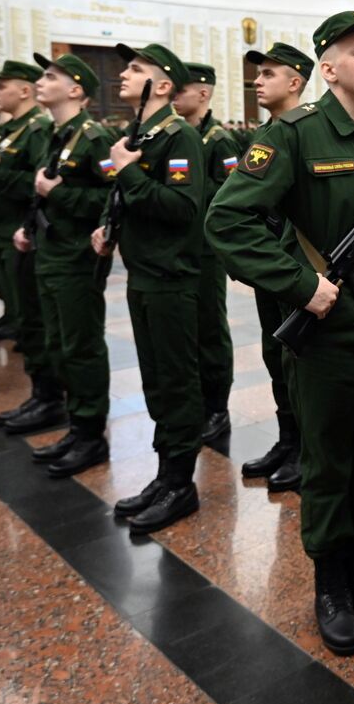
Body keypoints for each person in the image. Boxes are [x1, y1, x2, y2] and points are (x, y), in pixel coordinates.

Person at [206, 12, 354, 657]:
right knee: (328, 464)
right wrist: (300, 284)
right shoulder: (294, 135)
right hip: (326, 334)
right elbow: (228, 220)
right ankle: (329, 583)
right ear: (328, 70)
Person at [92, 43, 206, 535]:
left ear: (162, 86)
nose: (123, 76)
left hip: (171, 279)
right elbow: (125, 196)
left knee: (176, 381)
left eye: (136, 70)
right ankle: (165, 476)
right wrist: (106, 225)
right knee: (157, 381)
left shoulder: (180, 138)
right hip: (144, 275)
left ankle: (182, 484)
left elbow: (182, 207)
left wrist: (130, 170)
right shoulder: (138, 134)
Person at [9, 53, 116, 480]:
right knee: (58, 343)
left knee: (81, 346)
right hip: (51, 253)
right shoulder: (58, 133)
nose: (41, 81)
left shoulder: (93, 137)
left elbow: (113, 196)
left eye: (50, 77)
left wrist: (59, 195)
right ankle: (77, 424)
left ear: (76, 90)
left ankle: (92, 434)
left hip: (77, 258)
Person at [236, 43, 311, 490]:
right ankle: (288, 440)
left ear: (295, 81)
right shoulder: (264, 135)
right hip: (270, 269)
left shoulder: (306, 132)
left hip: (298, 270)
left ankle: (304, 448)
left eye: (268, 74)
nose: (257, 82)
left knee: (296, 360)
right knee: (274, 355)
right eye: (257, 75)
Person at [0, 61, 55, 423]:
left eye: (1, 86)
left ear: (23, 91)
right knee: (24, 318)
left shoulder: (36, 129)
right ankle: (40, 394)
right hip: (3, 227)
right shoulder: (11, 130)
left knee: (33, 320)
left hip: (24, 233)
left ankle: (49, 397)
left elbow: (34, 188)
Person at [172, 62, 239, 442]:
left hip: (208, 252)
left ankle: (218, 407)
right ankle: (200, 400)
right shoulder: (183, 136)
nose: (174, 97)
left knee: (211, 330)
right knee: (191, 332)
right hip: (185, 248)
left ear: (202, 94)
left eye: (181, 90)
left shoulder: (218, 140)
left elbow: (231, 195)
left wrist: (193, 191)